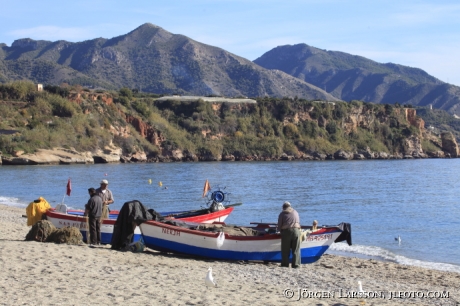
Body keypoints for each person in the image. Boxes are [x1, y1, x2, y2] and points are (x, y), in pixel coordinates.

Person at [277, 201, 301, 268]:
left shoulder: (282, 213)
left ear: (283, 207)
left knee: (285, 250)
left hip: (287, 232)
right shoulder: (296, 212)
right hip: (296, 231)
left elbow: (279, 225)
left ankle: (285, 264)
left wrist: (279, 231)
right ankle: (296, 264)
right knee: (296, 249)